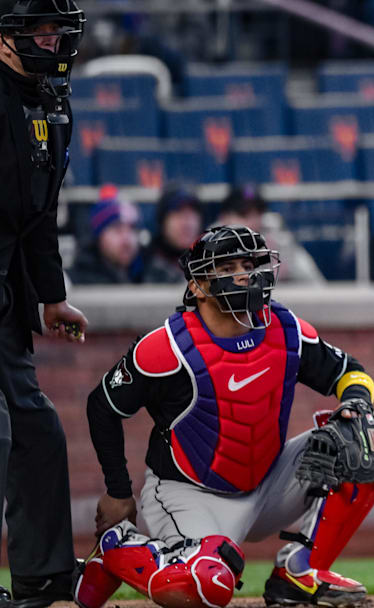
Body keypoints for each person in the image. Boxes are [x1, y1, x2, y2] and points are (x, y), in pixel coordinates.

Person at [76, 225, 374, 608]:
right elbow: (103, 405)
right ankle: (118, 546)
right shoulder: (166, 347)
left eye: (249, 263)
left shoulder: (285, 327)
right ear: (197, 286)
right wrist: (117, 492)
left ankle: (298, 572)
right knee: (207, 585)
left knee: (372, 440)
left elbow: (349, 372)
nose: (244, 273)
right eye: (228, 266)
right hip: (188, 493)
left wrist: (357, 403)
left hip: (267, 483)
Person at [0, 1, 87, 606]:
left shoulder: (51, 105)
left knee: (36, 429)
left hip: (6, 297)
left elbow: (40, 217)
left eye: (57, 28)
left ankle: (44, 574)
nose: (50, 40)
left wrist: (51, 299)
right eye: (37, 28)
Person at [216, 185, 325, 284]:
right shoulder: (210, 243)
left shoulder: (275, 237)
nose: (253, 221)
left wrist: (283, 267)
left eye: (258, 213)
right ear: (224, 217)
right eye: (243, 215)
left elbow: (315, 283)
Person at [67, 186, 144, 285]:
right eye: (117, 229)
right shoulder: (76, 281)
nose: (127, 238)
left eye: (132, 228)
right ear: (99, 236)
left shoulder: (150, 272)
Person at [144, 184, 203, 283]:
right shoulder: (143, 265)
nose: (187, 224)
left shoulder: (214, 261)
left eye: (191, 215)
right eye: (178, 215)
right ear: (163, 222)